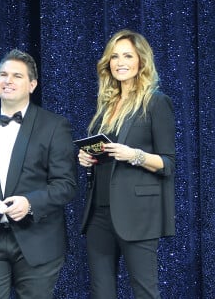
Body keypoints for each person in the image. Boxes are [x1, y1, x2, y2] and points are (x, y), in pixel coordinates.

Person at [0, 49, 77, 299]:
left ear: (32, 84)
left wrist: (31, 203)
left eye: (17, 76)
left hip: (38, 240)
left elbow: (66, 184)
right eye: (3, 74)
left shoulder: (54, 125)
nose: (8, 80)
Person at [78, 29, 175, 298]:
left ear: (141, 61)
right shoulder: (106, 105)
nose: (120, 62)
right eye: (114, 56)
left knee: (144, 290)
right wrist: (88, 158)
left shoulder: (156, 103)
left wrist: (135, 155)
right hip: (99, 211)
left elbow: (168, 163)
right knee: (101, 291)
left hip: (138, 214)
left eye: (127, 56)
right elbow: (103, 155)